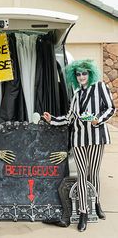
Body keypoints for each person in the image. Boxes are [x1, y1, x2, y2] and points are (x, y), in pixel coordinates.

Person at [43, 59, 115, 232]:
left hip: (97, 137)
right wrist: (52, 119)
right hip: (79, 139)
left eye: (84, 73)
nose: (81, 76)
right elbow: (69, 119)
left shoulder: (100, 87)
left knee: (93, 172)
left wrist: (98, 119)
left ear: (90, 74)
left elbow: (110, 108)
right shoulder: (76, 95)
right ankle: (83, 212)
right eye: (78, 74)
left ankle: (96, 202)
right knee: (82, 174)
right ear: (75, 77)